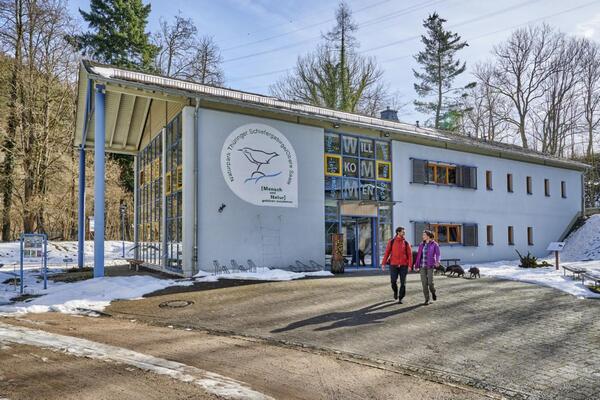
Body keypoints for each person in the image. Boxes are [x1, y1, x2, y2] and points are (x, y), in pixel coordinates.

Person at [381, 227, 413, 304]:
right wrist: (383, 263)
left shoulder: (406, 243)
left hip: (403, 265)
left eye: (404, 232)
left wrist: (410, 265)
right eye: (402, 232)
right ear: (398, 232)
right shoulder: (391, 242)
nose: (404, 233)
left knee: (403, 283)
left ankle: (401, 298)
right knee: (393, 281)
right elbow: (387, 253)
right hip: (393, 265)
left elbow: (410, 255)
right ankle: (395, 292)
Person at [413, 230, 440, 305]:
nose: (423, 236)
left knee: (430, 283)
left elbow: (438, 254)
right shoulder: (421, 244)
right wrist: (416, 265)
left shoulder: (434, 244)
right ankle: (427, 299)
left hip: (430, 266)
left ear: (428, 236)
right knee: (424, 283)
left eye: (424, 235)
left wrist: (437, 261)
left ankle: (433, 292)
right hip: (422, 266)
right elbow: (419, 256)